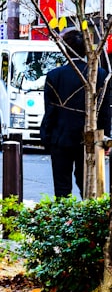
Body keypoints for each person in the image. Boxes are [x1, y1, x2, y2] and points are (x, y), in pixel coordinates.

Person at [40, 28, 110, 198]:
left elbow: (50, 111)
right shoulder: (100, 76)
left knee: (62, 188)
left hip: (60, 137)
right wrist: (105, 136)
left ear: (65, 48)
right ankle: (88, 217)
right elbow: (104, 111)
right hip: (89, 138)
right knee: (87, 185)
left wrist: (46, 137)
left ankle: (64, 219)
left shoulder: (54, 76)